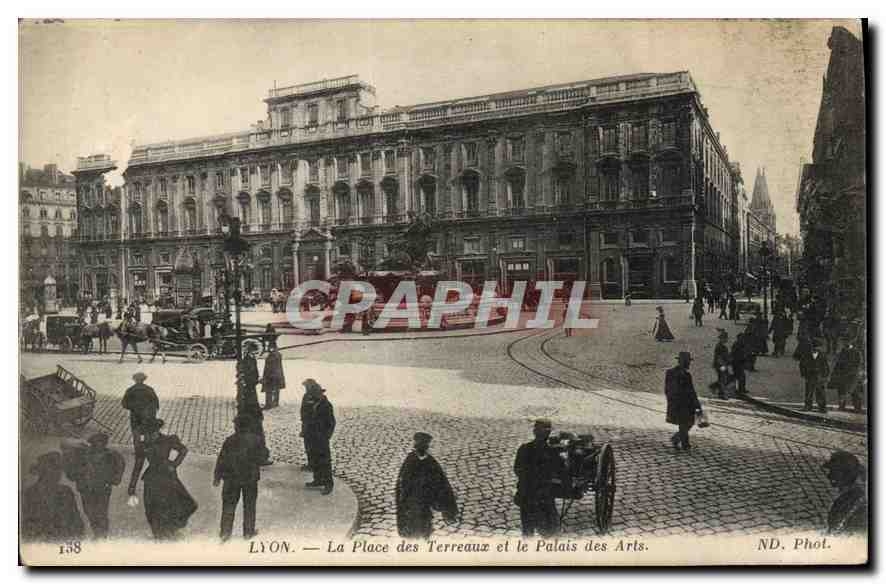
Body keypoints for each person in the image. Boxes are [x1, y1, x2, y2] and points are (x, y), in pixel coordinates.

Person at [127, 418, 197, 540]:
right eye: (146, 434)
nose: (148, 436)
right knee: (151, 509)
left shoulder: (168, 440)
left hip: (167, 477)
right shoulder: (143, 446)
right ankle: (159, 534)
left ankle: (170, 530)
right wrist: (132, 487)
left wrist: (174, 464)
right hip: (152, 479)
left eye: (151, 433)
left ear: (157, 431)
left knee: (177, 504)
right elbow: (138, 466)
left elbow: (183, 450)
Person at [214, 414, 269, 541]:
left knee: (228, 506)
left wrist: (217, 476)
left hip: (231, 479)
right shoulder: (256, 440)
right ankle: (248, 532)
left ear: (236, 426)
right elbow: (263, 457)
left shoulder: (229, 440)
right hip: (250, 479)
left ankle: (225, 532)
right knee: (249, 506)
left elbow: (221, 459)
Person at [61, 433, 126, 539]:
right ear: (92, 444)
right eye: (96, 443)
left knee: (101, 512)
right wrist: (77, 476)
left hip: (103, 489)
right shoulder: (83, 454)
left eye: (102, 443)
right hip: (86, 489)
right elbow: (71, 466)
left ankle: (101, 535)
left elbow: (120, 465)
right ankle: (97, 532)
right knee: (89, 511)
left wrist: (114, 479)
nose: (99, 445)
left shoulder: (111, 455)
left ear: (105, 444)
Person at [395, 432, 458, 539]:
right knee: (415, 528)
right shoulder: (411, 461)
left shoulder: (429, 461)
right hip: (413, 503)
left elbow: (441, 482)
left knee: (424, 526)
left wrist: (446, 506)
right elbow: (403, 485)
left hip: (424, 502)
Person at [21, 452, 85, 541]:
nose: (58, 473)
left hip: (65, 542)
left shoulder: (66, 491)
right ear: (42, 471)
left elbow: (78, 523)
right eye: (53, 469)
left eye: (59, 469)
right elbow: (27, 526)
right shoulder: (31, 493)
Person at [513, 419, 561, 537]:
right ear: (548, 434)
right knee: (551, 529)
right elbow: (559, 471)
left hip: (525, 495)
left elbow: (517, 470)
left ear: (534, 432)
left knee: (527, 530)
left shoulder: (524, 448)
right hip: (543, 497)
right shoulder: (552, 452)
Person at [302, 379, 336, 495]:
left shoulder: (326, 405)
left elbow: (331, 423)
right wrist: (305, 431)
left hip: (321, 438)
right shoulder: (310, 402)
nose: (313, 396)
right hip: (311, 436)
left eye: (315, 394)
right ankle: (317, 479)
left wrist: (326, 436)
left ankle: (328, 484)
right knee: (314, 458)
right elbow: (305, 417)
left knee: (324, 461)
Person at [665, 352, 703, 451]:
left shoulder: (676, 373)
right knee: (686, 423)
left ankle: (680, 440)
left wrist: (696, 403)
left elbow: (691, 391)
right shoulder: (679, 374)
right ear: (683, 362)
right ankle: (682, 442)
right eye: (688, 362)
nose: (689, 364)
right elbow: (669, 389)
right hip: (682, 404)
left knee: (686, 423)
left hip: (681, 403)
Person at [822, 451, 867, 534]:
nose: (829, 476)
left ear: (847, 474)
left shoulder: (856, 501)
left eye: (834, 472)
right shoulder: (847, 496)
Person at [121, 372, 159, 450]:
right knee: (147, 433)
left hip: (135, 416)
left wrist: (133, 407)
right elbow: (155, 404)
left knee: (136, 434)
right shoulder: (149, 389)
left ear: (134, 380)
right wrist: (151, 413)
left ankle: (138, 450)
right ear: (144, 379)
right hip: (147, 416)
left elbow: (124, 404)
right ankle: (147, 449)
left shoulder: (130, 390)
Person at [829, 341, 863, 412]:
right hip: (842, 375)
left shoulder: (857, 352)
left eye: (846, 342)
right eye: (844, 342)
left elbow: (859, 364)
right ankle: (841, 407)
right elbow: (838, 364)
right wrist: (835, 375)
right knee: (842, 392)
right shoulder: (842, 352)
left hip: (853, 375)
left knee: (855, 392)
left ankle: (857, 408)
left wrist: (855, 373)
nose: (844, 344)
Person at [800, 339, 830, 413]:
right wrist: (804, 374)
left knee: (821, 393)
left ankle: (822, 407)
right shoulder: (806, 354)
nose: (816, 348)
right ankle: (808, 406)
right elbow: (802, 365)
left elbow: (826, 366)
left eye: (818, 347)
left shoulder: (822, 355)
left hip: (820, 376)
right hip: (810, 376)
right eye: (814, 347)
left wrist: (825, 376)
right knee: (809, 392)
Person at [260, 344, 285, 410]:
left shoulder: (274, 356)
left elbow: (272, 367)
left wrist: (268, 376)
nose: (269, 349)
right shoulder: (275, 355)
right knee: (274, 390)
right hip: (275, 376)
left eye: (270, 347)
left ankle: (269, 404)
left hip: (272, 376)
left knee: (270, 390)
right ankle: (273, 403)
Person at [712, 330, 730, 399]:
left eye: (726, 338)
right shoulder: (720, 346)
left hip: (721, 365)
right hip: (720, 365)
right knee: (723, 379)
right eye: (725, 338)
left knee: (722, 378)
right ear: (721, 338)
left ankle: (716, 388)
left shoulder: (722, 346)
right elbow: (719, 357)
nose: (726, 339)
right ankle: (721, 393)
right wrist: (723, 366)